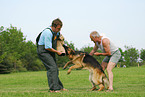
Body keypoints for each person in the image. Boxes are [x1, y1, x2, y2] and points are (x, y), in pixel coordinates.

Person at [36, 18, 67, 93]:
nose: (59, 30)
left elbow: (60, 39)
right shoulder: (48, 33)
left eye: (60, 29)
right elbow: (47, 47)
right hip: (43, 51)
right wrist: (57, 52)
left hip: (50, 51)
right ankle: (53, 89)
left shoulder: (56, 32)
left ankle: (59, 87)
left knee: (55, 69)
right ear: (53, 26)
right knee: (52, 68)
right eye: (58, 28)